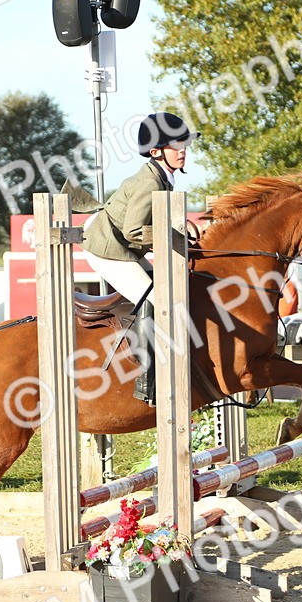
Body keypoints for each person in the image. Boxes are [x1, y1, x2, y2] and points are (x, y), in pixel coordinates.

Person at [78, 111, 201, 404]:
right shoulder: (150, 182)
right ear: (156, 151)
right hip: (108, 249)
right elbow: (135, 231)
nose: (183, 150)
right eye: (176, 145)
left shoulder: (162, 176)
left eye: (184, 143)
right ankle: (148, 384)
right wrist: (177, 239)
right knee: (159, 301)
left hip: (122, 245)